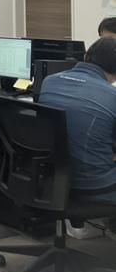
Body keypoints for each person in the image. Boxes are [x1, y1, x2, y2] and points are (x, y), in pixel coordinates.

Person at [39, 37, 116, 204]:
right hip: (95, 186)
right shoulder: (112, 95)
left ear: (87, 56)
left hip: (52, 181)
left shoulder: (49, 81)